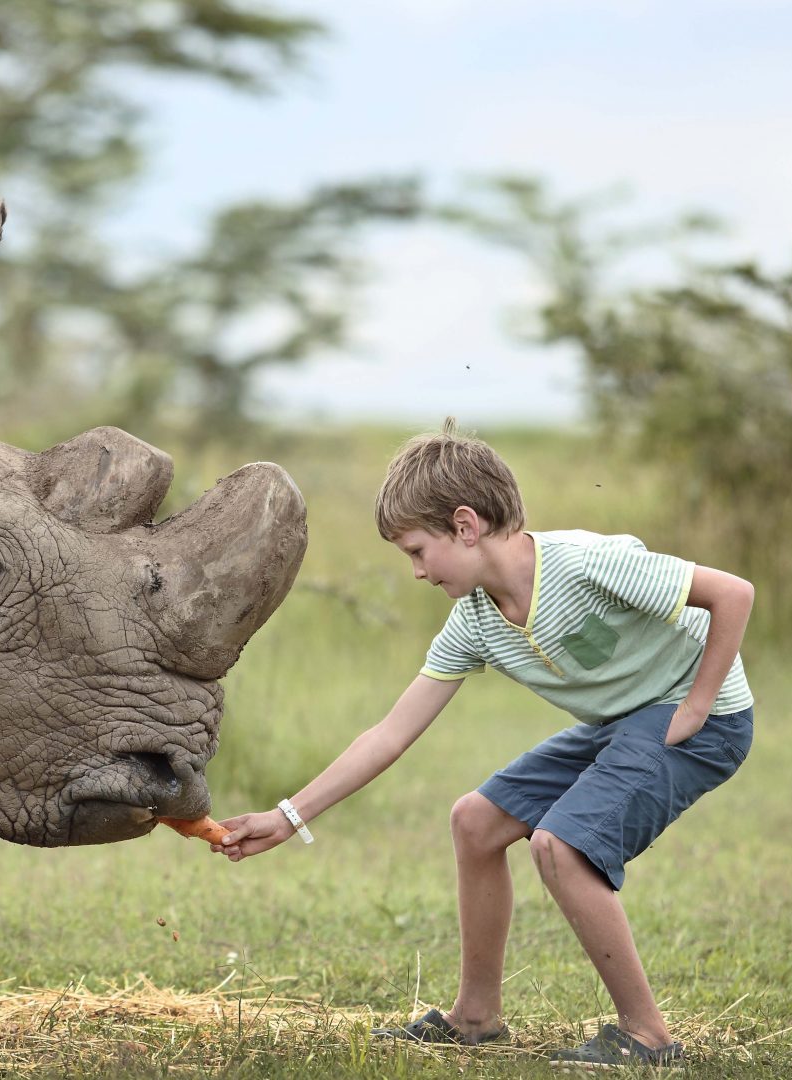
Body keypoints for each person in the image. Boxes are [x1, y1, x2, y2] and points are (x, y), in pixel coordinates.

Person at [215, 418, 755, 1069]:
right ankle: (475, 1018)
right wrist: (289, 815)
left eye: (417, 551)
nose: (415, 571)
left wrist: (698, 705)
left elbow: (732, 593)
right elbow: (390, 733)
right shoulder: (474, 621)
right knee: (475, 821)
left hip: (701, 720)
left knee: (562, 845)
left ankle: (648, 1036)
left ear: (466, 526)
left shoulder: (586, 565)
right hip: (624, 723)